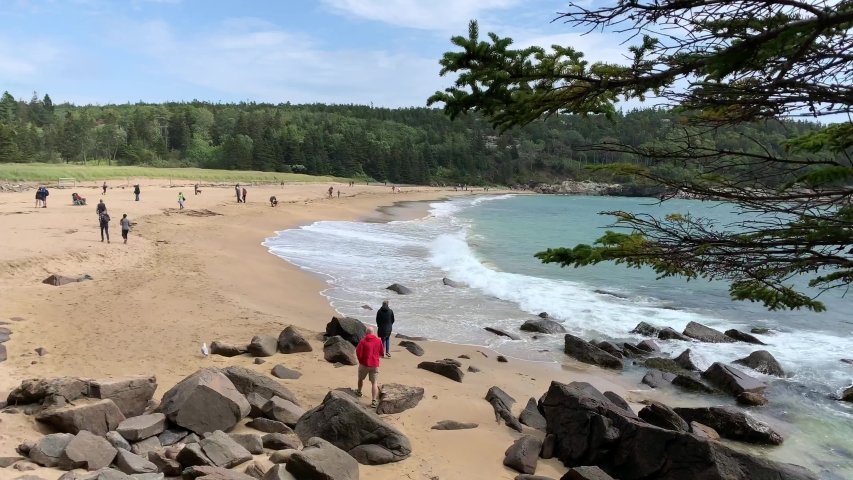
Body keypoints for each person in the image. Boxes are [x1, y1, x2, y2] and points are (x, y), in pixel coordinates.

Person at [355, 326, 384, 408]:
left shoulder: (363, 341)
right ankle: (374, 400)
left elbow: (359, 352)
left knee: (360, 379)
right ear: (373, 333)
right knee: (374, 383)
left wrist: (360, 361)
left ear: (366, 333)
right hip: (375, 364)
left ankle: (359, 391)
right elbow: (382, 351)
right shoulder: (378, 340)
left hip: (364, 363)